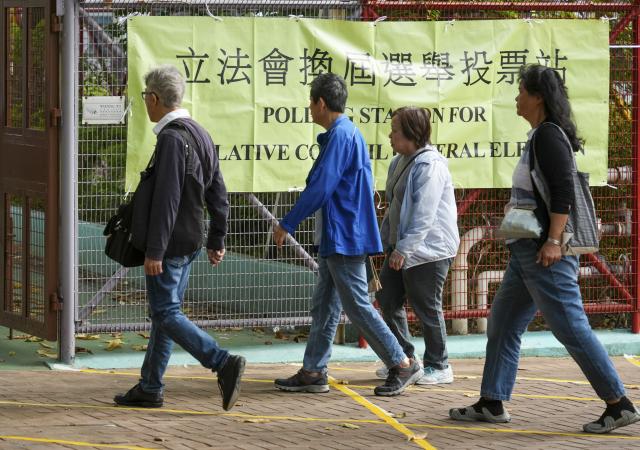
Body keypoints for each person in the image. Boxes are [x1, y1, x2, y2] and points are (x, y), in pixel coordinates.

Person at [450, 64, 640, 434]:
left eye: (521, 91)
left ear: (537, 97)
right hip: (527, 253)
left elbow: (564, 193)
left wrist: (554, 241)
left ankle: (619, 403)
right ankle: (492, 401)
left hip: (544, 252)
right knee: (503, 323)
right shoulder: (540, 135)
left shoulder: (548, 137)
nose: (517, 98)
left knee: (570, 326)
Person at [272, 73, 422, 396]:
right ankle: (313, 370)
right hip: (338, 235)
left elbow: (321, 187)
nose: (310, 110)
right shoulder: (344, 134)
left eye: (311, 104)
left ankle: (401, 363)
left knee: (356, 305)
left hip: (345, 236)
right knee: (325, 304)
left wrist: (288, 222)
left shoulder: (341, 136)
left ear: (321, 103)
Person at [113, 65, 245, 411]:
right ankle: (150, 386)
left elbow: (167, 198)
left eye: (145, 97)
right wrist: (217, 238)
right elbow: (218, 191)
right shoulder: (199, 132)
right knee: (163, 314)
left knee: (166, 311)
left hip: (169, 245)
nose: (145, 103)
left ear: (154, 99)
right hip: (190, 242)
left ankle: (221, 361)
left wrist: (154, 250)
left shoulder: (172, 138)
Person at [374, 107, 459, 385]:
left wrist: (404, 249)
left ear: (411, 132)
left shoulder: (429, 165)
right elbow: (396, 206)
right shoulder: (400, 161)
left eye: (395, 130)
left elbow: (425, 214)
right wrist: (390, 242)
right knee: (387, 299)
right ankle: (404, 359)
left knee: (426, 306)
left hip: (429, 250)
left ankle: (440, 364)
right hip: (402, 247)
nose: (390, 134)